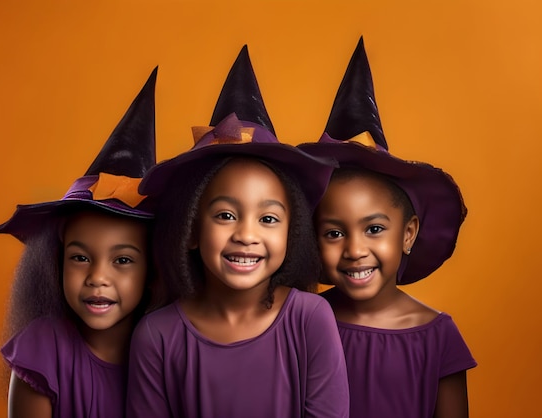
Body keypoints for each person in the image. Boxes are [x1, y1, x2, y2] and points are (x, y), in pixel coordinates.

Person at [126, 46, 349, 418]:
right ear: (191, 230)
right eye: (226, 215)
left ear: (290, 234)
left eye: (268, 219)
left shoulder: (311, 318)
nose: (247, 235)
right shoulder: (156, 336)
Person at [299, 37, 477, 418]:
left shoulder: (437, 334)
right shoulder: (299, 322)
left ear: (408, 233)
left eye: (374, 229)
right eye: (333, 233)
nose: (354, 249)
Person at [0, 68, 158, 418]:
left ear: (154, 267)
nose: (97, 277)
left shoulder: (169, 350)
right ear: (57, 261)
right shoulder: (43, 349)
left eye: (123, 260)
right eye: (80, 258)